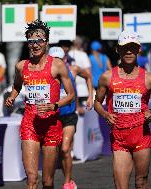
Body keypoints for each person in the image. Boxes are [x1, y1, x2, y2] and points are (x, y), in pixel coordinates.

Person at [5, 20, 75, 189]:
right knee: (31, 178)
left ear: (46, 42)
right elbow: (17, 86)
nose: (35, 45)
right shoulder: (21, 66)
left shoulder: (57, 65)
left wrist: (54, 105)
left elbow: (71, 95)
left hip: (51, 125)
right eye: (31, 41)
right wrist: (12, 97)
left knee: (48, 181)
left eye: (39, 41)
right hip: (30, 123)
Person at [94, 30, 151, 189]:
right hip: (119, 138)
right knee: (120, 185)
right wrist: (104, 113)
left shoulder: (150, 79)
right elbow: (97, 102)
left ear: (139, 49)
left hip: (141, 136)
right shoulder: (107, 77)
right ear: (118, 49)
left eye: (132, 47)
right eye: (125, 47)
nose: (129, 51)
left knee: (141, 181)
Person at [49, 46, 93, 189]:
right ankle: (50, 182)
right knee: (54, 153)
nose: (56, 62)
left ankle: (68, 182)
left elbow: (88, 76)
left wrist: (90, 96)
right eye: (53, 59)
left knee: (65, 149)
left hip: (68, 116)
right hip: (52, 117)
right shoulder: (46, 73)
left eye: (59, 59)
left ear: (65, 59)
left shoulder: (73, 69)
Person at [68, 36, 92, 113]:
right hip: (83, 89)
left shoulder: (67, 54)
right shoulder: (83, 55)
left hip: (69, 89)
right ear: (79, 44)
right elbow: (88, 73)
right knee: (83, 117)